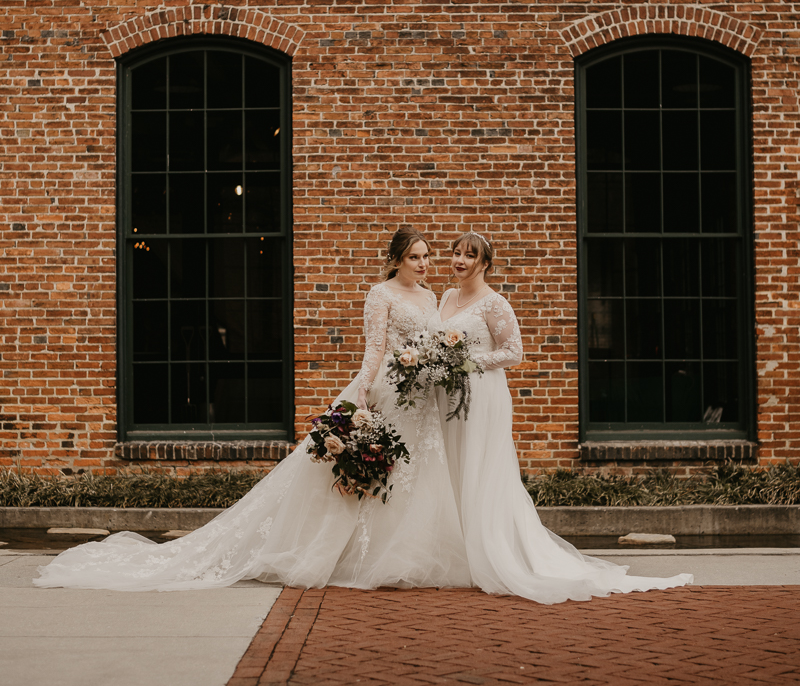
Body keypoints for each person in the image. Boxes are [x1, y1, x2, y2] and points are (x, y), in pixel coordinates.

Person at [35, 227, 470, 592]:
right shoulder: (380, 295)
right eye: (416, 257)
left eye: (427, 256)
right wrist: (363, 398)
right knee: (373, 471)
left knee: (415, 473)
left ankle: (405, 555)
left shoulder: (430, 298)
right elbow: (373, 351)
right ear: (396, 259)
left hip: (421, 401)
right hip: (386, 394)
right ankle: (356, 556)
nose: (424, 264)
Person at [437, 231, 693, 603]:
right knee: (453, 467)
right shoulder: (446, 296)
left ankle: (491, 552)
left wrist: (468, 361)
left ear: (485, 264)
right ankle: (458, 553)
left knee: (479, 470)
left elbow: (514, 352)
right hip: (447, 397)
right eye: (456, 253)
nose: (459, 260)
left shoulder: (494, 303)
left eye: (469, 255)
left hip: (482, 396)